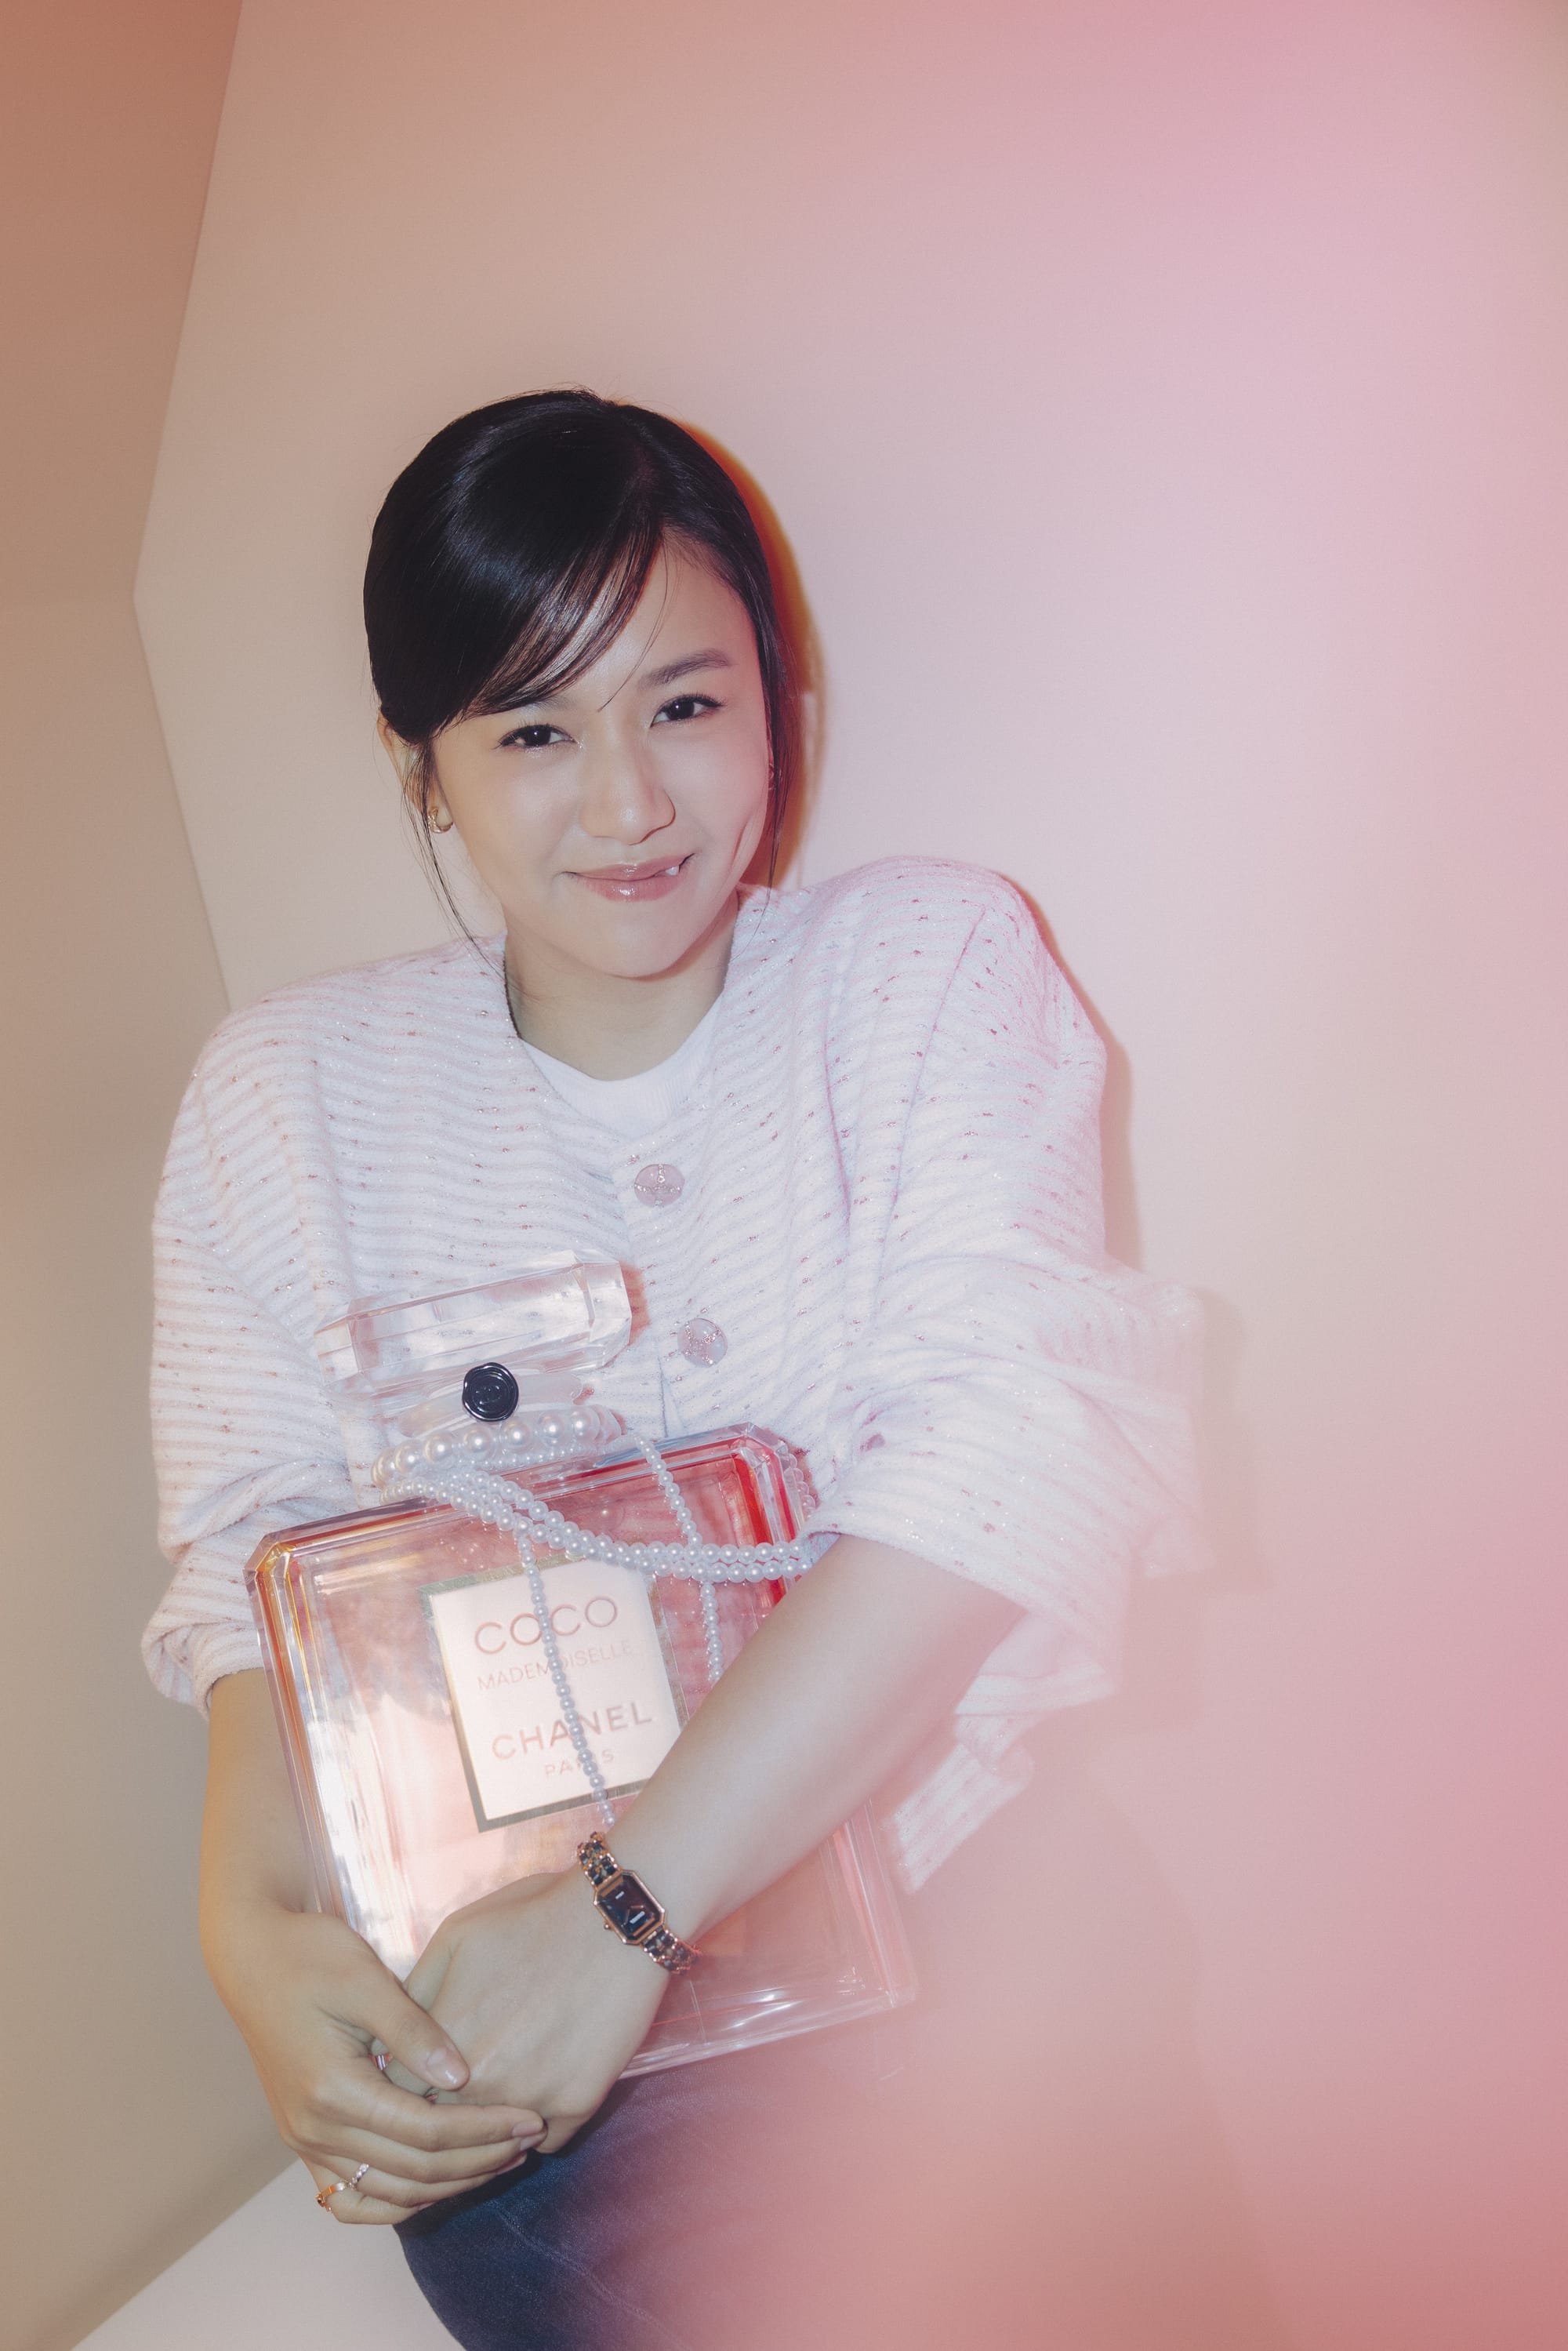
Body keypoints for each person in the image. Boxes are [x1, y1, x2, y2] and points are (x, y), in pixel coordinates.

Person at [144, 390, 1204, 2349]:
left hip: (973, 1928)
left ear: (778, 702)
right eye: (533, 728)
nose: (628, 799)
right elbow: (254, 1570)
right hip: (546, 2076)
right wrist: (251, 1932)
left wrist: (621, 1913)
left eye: (684, 703)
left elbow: (1011, 1447)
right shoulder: (285, 1099)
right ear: (420, 765)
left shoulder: (928, 971)